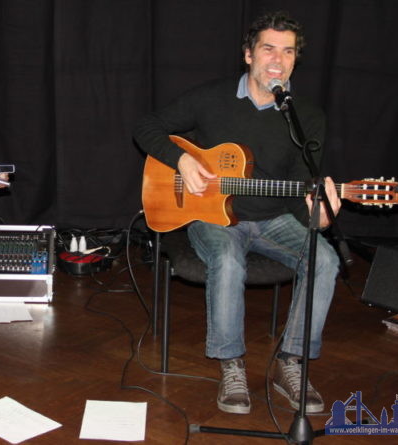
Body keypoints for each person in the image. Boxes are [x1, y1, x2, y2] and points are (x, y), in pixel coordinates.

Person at [134, 12, 341, 414]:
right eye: (268, 49)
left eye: (288, 51)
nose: (278, 60)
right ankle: (231, 364)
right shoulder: (211, 97)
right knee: (227, 260)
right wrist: (181, 161)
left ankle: (291, 362)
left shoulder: (306, 118)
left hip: (276, 218)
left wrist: (322, 216)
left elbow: (304, 193)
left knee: (326, 260)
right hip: (213, 217)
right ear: (248, 54)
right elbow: (147, 126)